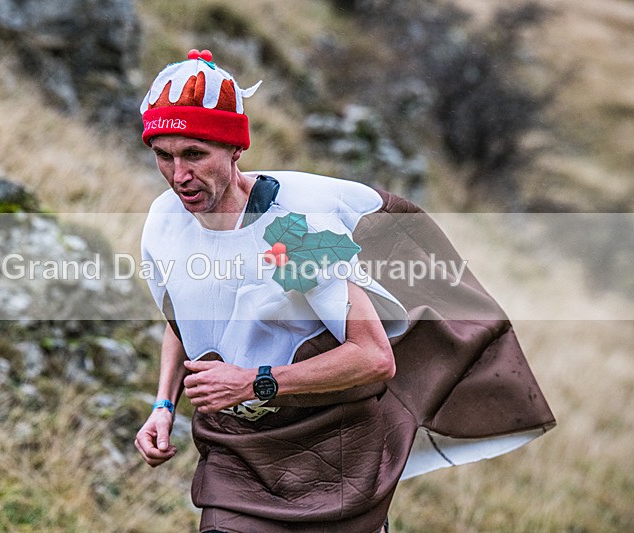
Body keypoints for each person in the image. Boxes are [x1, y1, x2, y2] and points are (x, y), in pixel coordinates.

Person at [134, 49, 555, 533]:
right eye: (163, 156)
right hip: (236, 456)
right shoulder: (166, 222)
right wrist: (163, 407)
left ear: (234, 149)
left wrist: (252, 382)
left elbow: (373, 357)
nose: (179, 175)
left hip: (331, 457)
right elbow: (179, 320)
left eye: (194, 154)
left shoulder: (291, 235)